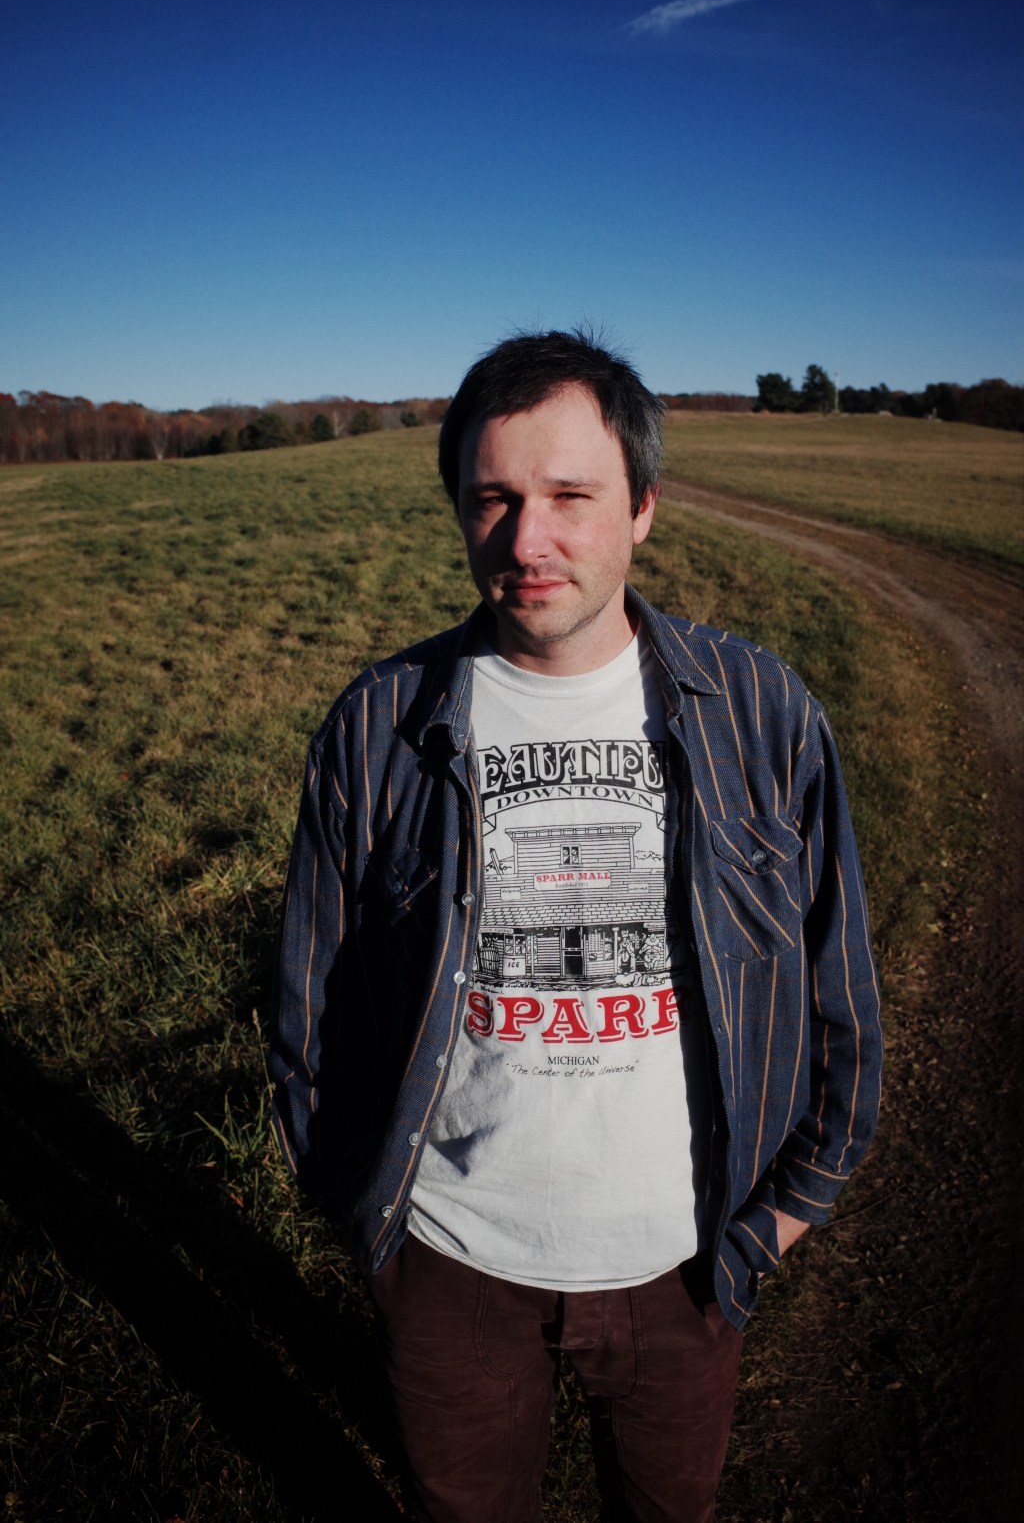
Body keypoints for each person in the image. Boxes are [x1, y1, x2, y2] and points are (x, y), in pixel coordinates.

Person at [270, 329, 882, 1522]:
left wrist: (776, 1223)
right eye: (492, 498)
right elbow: (309, 1004)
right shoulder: (377, 725)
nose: (527, 540)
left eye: (568, 495)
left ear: (642, 505)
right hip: (450, 1269)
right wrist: (374, 1227)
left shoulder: (762, 711)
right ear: (457, 506)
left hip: (687, 1267)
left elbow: (839, 993)